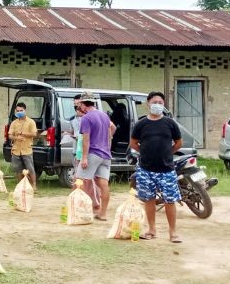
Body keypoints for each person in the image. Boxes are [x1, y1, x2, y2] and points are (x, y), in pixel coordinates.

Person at [130, 92, 184, 243]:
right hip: (146, 170)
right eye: (155, 102)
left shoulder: (170, 123)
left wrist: (168, 152)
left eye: (161, 102)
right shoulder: (141, 124)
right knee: (149, 200)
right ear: (148, 103)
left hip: (167, 170)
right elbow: (133, 143)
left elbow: (179, 143)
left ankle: (173, 233)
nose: (158, 105)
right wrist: (145, 152)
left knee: (170, 201)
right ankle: (151, 230)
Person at [77, 92, 117, 221]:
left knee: (80, 181)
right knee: (103, 184)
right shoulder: (104, 116)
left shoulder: (86, 118)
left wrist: (84, 158)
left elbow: (86, 139)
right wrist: (107, 147)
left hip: (93, 153)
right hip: (105, 155)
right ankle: (103, 213)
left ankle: (81, 211)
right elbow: (111, 131)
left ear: (83, 105)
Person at [8, 102, 37, 187]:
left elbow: (34, 134)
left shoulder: (31, 122)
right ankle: (20, 185)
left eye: (21, 110)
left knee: (30, 168)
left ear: (25, 110)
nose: (19, 112)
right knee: (18, 169)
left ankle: (34, 185)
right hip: (16, 149)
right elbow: (10, 135)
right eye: (18, 111)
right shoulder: (14, 123)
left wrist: (24, 134)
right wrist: (16, 138)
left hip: (27, 149)